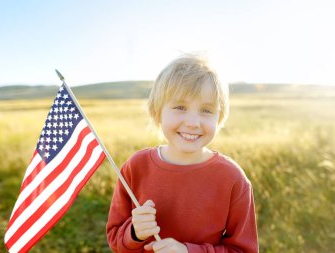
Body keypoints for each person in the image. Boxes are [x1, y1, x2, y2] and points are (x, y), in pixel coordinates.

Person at [106, 54, 259, 253]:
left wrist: (189, 251)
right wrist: (134, 233)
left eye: (206, 110)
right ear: (157, 111)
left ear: (219, 117)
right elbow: (114, 238)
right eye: (180, 107)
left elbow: (243, 250)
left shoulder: (233, 178)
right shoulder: (136, 167)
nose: (193, 122)